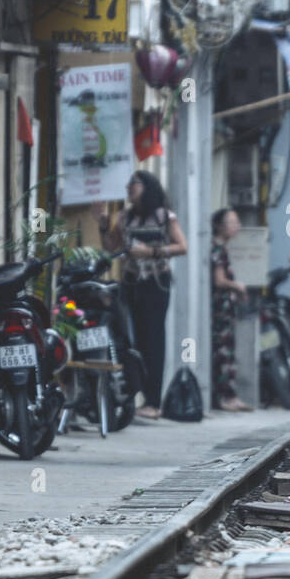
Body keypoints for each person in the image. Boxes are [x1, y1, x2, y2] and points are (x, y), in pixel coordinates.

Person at [94, 171, 188, 420]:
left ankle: (153, 401)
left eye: (133, 183)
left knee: (153, 339)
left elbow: (182, 246)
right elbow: (111, 247)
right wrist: (103, 225)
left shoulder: (164, 216)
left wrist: (151, 252)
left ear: (146, 187)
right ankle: (132, 395)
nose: (128, 187)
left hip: (156, 283)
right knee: (130, 338)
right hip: (131, 282)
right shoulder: (124, 217)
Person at [211, 208, 252, 412]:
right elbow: (218, 280)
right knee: (223, 352)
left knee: (227, 351)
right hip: (220, 310)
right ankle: (225, 397)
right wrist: (237, 286)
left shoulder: (221, 248)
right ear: (219, 225)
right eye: (232, 222)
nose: (237, 226)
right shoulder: (217, 249)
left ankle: (229, 395)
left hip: (225, 308)